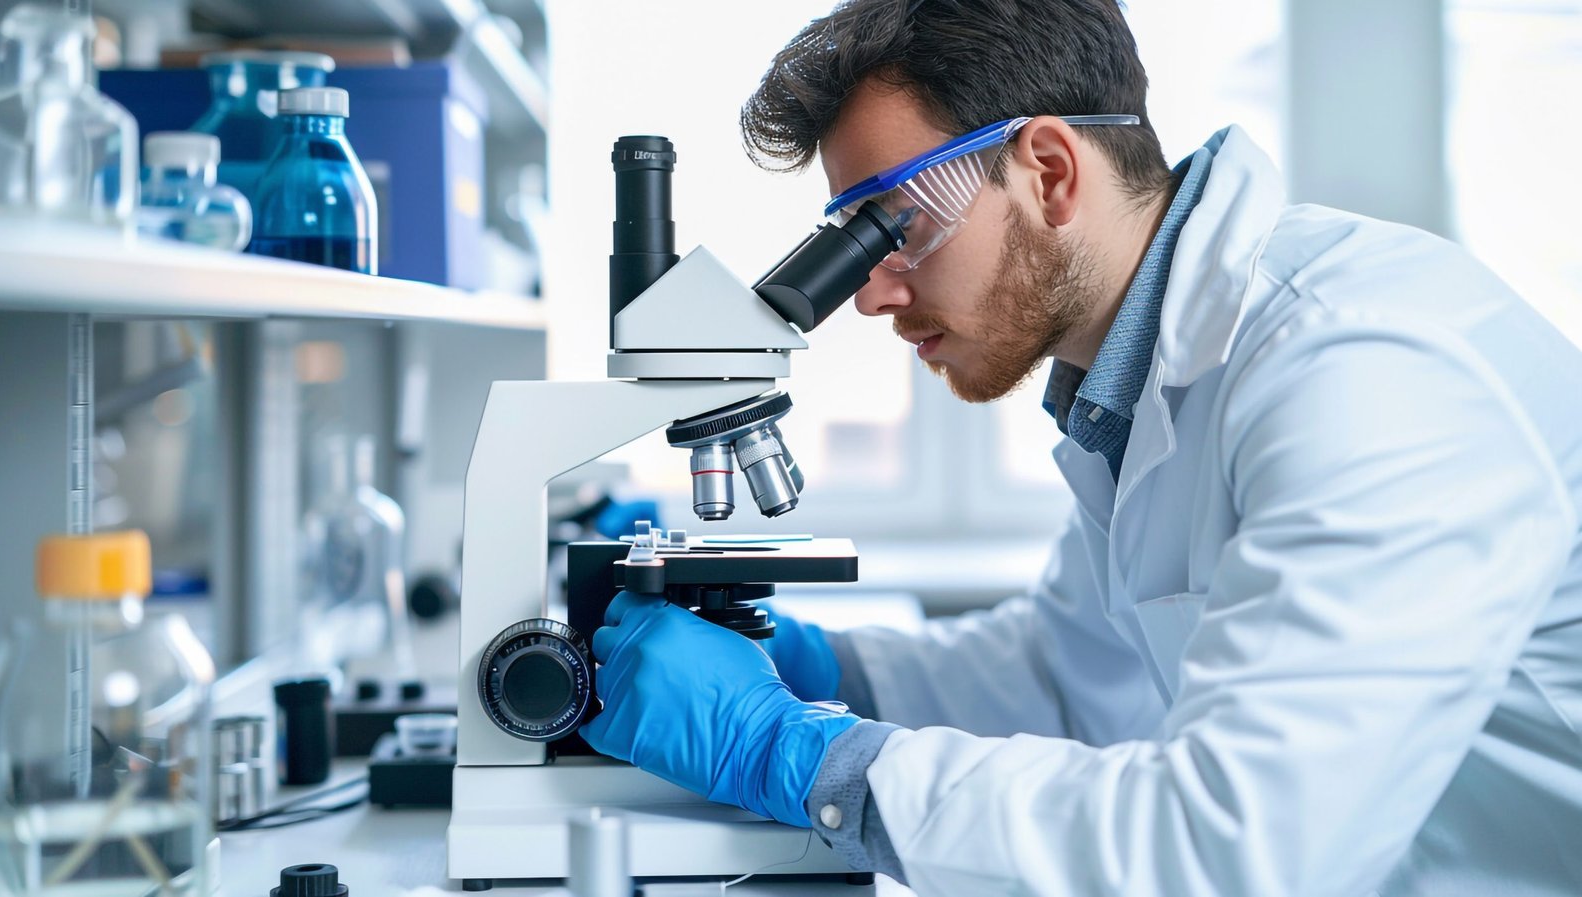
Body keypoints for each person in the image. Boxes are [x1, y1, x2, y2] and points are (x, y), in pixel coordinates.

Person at [579, 1, 1582, 894]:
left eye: (896, 228)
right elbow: (1066, 678)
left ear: (1049, 172)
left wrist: (794, 756)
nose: (873, 292)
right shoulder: (1133, 391)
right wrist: (808, 664)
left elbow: (1236, 850)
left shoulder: (1360, 370)